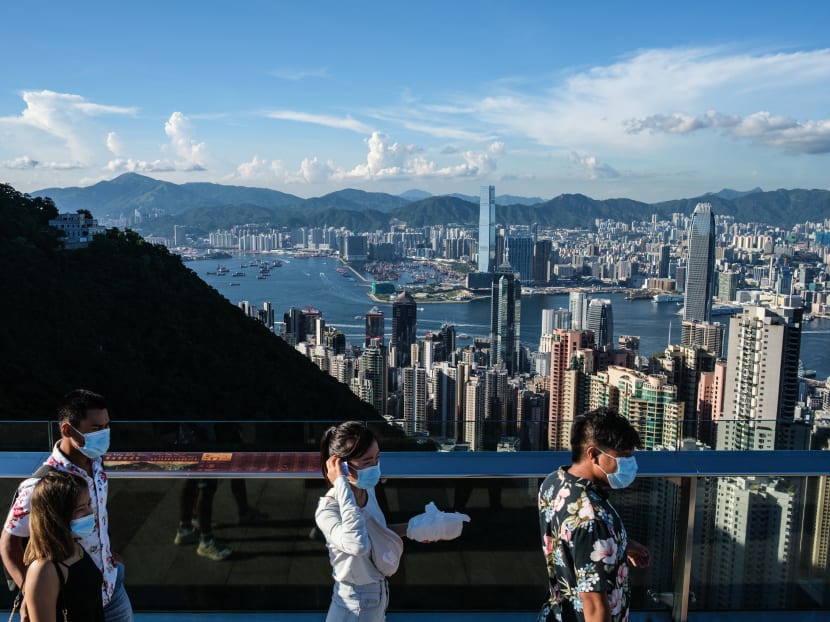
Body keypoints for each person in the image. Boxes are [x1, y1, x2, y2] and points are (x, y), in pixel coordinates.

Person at [1, 389, 134, 622]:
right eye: (95, 429)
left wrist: (109, 555)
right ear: (67, 429)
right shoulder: (42, 484)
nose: (104, 434)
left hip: (111, 587)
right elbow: (9, 542)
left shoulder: (96, 464)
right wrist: (28, 591)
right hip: (75, 596)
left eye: (106, 426)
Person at [537, 407, 651, 622]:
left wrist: (621, 544)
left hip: (558, 613)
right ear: (593, 454)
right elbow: (594, 605)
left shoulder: (554, 482)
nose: (629, 463)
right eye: (622, 456)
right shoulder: (592, 519)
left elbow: (572, 545)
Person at [315, 422, 408, 622]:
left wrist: (414, 528)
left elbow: (375, 532)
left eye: (377, 458)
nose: (375, 467)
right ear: (341, 466)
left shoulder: (367, 489)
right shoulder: (328, 511)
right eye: (367, 462)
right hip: (353, 608)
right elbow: (357, 544)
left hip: (376, 598)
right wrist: (340, 484)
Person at [22, 470, 104, 622]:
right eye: (81, 508)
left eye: (89, 504)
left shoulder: (75, 548)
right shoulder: (44, 570)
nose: (89, 512)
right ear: (57, 516)